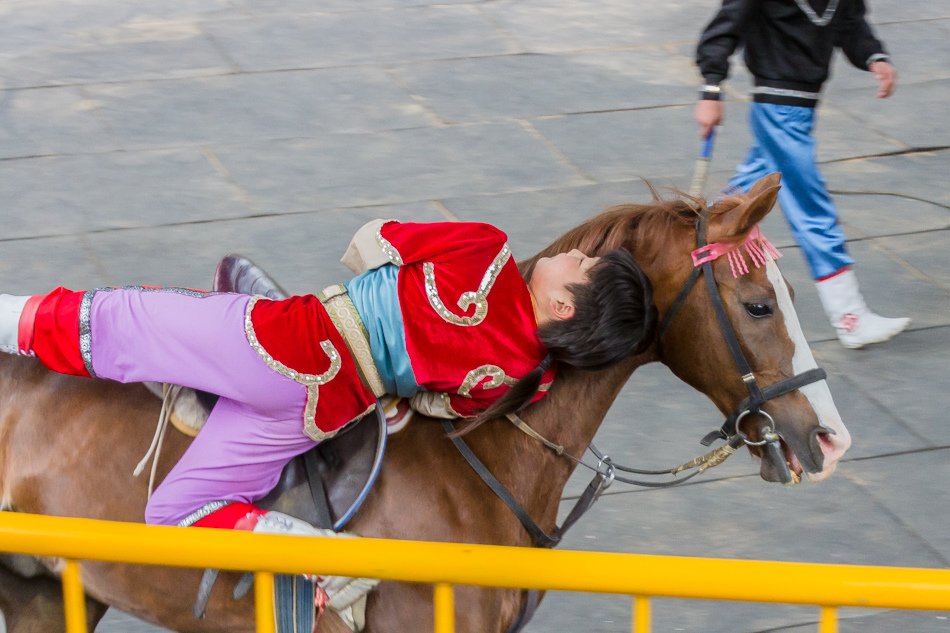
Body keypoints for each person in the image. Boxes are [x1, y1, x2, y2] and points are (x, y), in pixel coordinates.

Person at [0, 219, 653, 618]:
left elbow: (370, 241)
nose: (574, 252)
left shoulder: (485, 252)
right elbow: (435, 402)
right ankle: (316, 551)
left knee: (115, 321)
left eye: (583, 265)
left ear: (565, 304)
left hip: (275, 342)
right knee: (177, 515)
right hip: (317, 409)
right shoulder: (510, 370)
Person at [694, 0, 910, 349]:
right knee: (811, 207)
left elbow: (851, 24)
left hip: (799, 109)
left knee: (741, 199)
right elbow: (723, 29)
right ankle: (850, 317)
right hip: (777, 109)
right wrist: (711, 91)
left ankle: (682, 245)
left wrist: (875, 57)